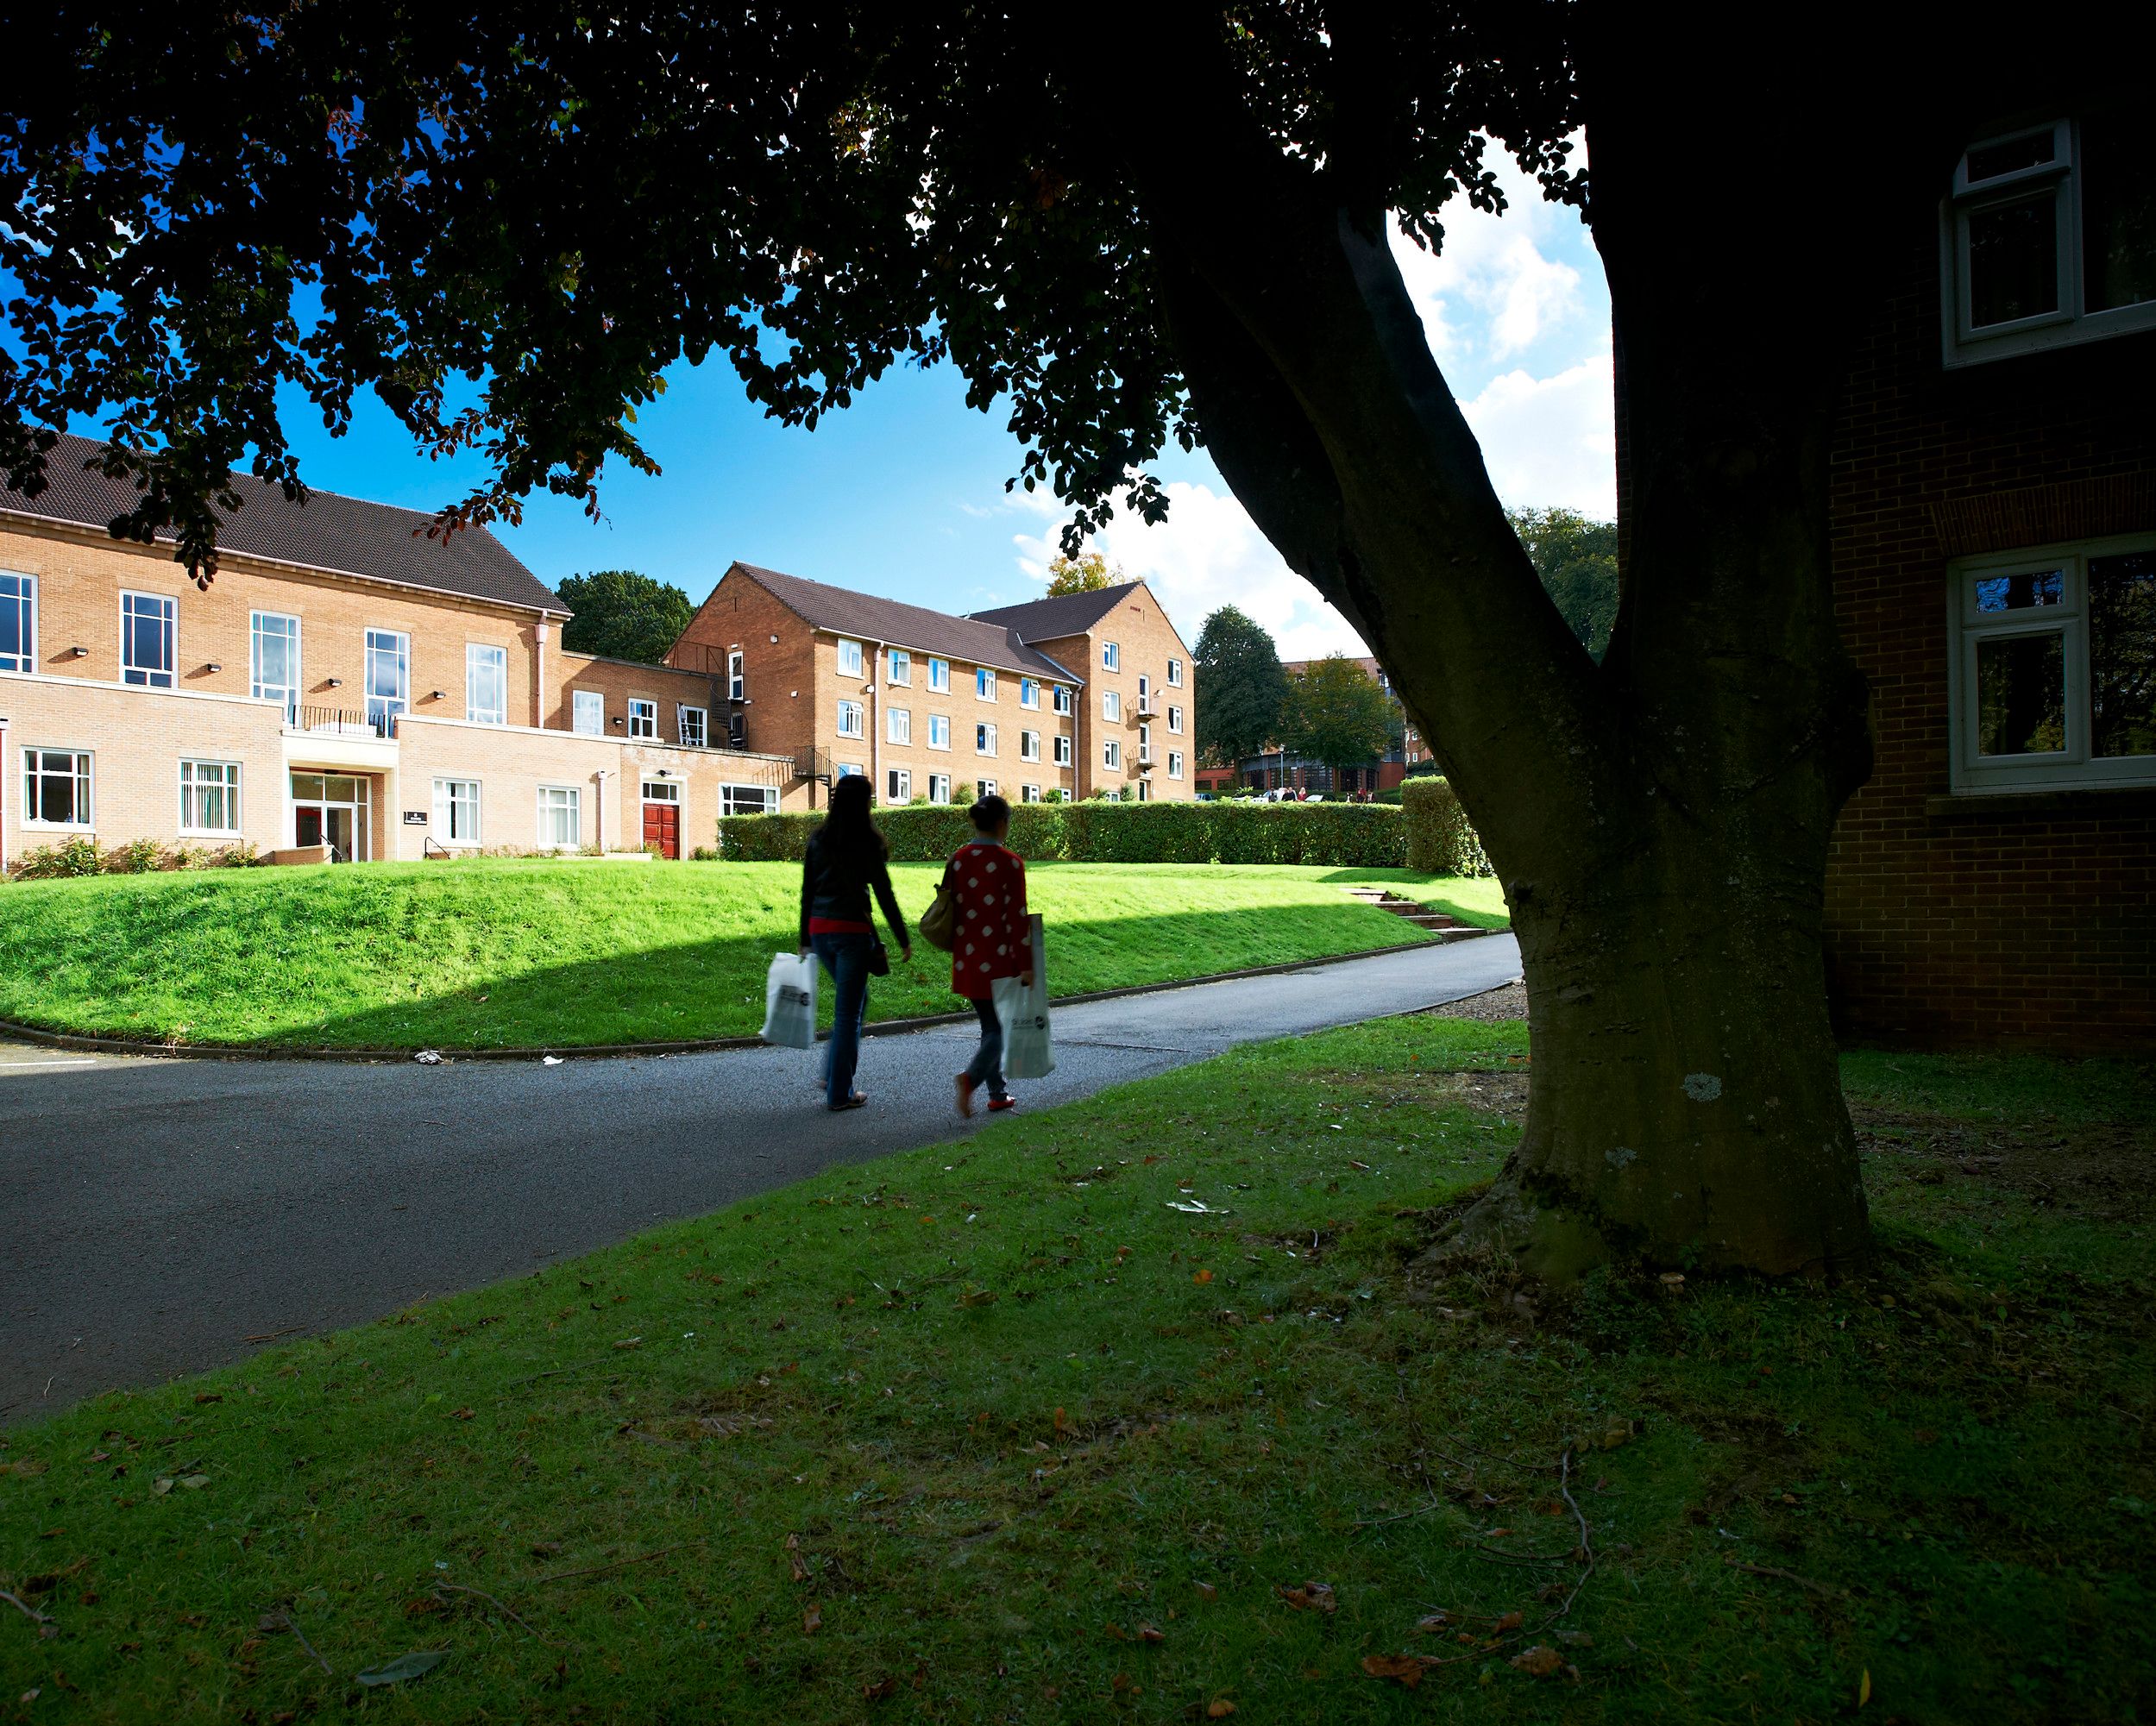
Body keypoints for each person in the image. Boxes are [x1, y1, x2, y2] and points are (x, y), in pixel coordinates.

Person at [798, 773, 910, 1111]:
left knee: (855, 1005)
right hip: (851, 934)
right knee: (849, 1013)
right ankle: (839, 1093)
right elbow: (884, 893)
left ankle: (831, 1073)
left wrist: (805, 938)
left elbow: (808, 891)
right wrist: (903, 937)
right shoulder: (867, 841)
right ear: (865, 803)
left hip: (820, 931)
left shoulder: (818, 839)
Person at [942, 793, 1032, 1117]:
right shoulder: (1012, 863)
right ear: (1001, 823)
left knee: (989, 1026)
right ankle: (971, 1079)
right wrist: (1026, 965)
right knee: (999, 1029)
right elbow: (1017, 917)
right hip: (1001, 960)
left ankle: (998, 1094)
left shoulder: (957, 859)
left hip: (967, 958)